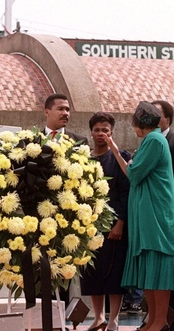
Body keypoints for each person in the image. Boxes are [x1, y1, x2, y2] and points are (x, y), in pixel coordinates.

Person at [105, 101, 174, 331]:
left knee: (159, 267)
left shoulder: (154, 140)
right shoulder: (150, 141)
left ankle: (159, 321)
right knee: (150, 271)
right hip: (147, 216)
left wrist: (120, 154)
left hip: (156, 216)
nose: (134, 130)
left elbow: (133, 175)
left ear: (140, 124)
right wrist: (115, 148)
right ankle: (153, 321)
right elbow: (132, 170)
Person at [80, 112, 131, 331]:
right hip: (88, 225)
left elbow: (125, 192)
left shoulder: (120, 157)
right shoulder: (82, 158)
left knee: (114, 273)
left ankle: (113, 320)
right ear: (91, 132)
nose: (101, 134)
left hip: (114, 224)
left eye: (105, 130)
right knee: (92, 271)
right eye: (97, 130)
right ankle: (98, 317)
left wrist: (120, 222)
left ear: (112, 133)